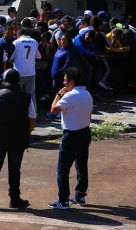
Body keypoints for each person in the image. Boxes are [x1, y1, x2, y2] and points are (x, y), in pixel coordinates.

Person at [0, 69, 36, 211]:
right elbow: (32, 118)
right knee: (15, 169)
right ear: (18, 81)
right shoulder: (26, 97)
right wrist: (27, 133)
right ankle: (14, 198)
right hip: (18, 137)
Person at [48, 67, 93, 210]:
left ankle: (63, 200)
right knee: (81, 166)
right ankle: (80, 196)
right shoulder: (87, 94)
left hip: (71, 135)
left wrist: (59, 94)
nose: (64, 83)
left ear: (72, 82)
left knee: (63, 169)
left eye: (65, 80)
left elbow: (53, 110)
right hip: (85, 132)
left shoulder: (70, 96)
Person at [10, 28, 41, 105]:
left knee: (17, 94)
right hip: (31, 72)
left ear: (19, 35)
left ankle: (19, 114)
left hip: (19, 73)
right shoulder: (34, 42)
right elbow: (39, 56)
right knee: (31, 95)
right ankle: (33, 113)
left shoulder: (16, 42)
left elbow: (10, 57)